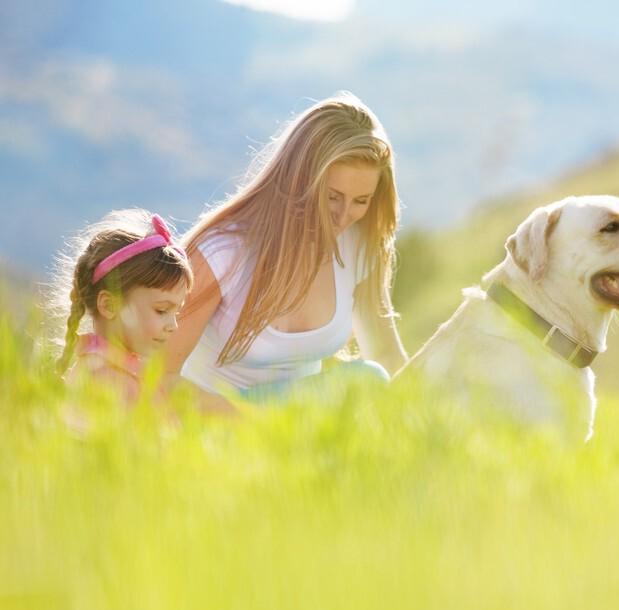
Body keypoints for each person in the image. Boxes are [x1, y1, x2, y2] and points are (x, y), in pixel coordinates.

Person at [166, 92, 408, 400]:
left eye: (361, 201)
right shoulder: (223, 251)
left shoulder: (358, 246)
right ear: (300, 179)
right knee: (366, 381)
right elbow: (158, 375)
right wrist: (252, 424)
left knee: (369, 381)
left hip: (295, 424)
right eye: (332, 196)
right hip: (215, 422)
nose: (344, 215)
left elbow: (387, 353)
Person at [54, 210, 193, 402]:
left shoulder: (128, 372)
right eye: (161, 310)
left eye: (175, 311)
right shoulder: (108, 380)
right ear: (109, 305)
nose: (173, 325)